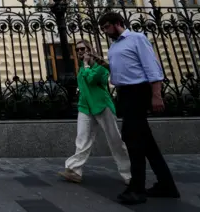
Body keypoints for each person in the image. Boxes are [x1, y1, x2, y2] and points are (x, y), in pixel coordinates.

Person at [98, 11, 179, 205]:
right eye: (102, 29)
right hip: (124, 93)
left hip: (138, 92)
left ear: (118, 23)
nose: (105, 32)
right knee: (146, 142)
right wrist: (106, 65)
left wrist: (156, 95)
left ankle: (137, 189)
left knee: (133, 140)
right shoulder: (114, 46)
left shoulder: (137, 38)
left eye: (106, 27)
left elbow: (152, 67)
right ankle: (166, 184)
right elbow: (123, 69)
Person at [58, 40, 131, 185]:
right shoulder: (81, 67)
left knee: (115, 140)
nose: (79, 51)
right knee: (82, 139)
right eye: (77, 49)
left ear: (90, 49)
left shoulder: (101, 67)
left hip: (102, 106)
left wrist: (86, 65)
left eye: (82, 49)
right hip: (85, 108)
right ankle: (74, 170)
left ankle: (129, 174)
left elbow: (91, 80)